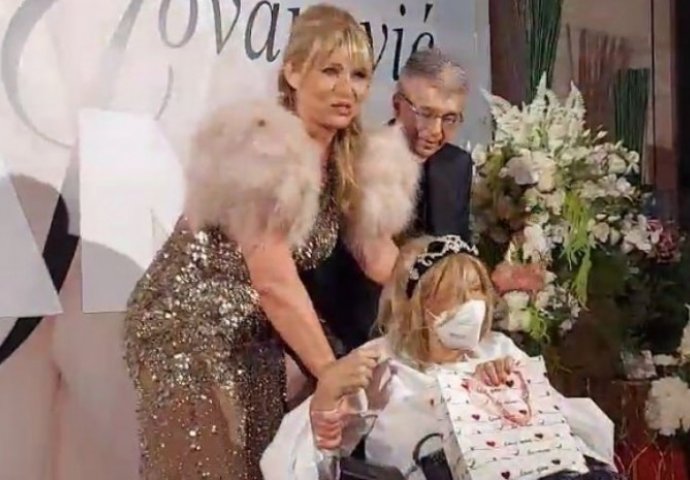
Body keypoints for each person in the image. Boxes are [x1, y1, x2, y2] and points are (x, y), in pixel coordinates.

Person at [123, 5, 421, 479]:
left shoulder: (347, 159)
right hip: (187, 327)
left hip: (254, 334)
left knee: (257, 466)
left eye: (359, 75)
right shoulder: (262, 147)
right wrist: (331, 372)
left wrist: (455, 289)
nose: (347, 89)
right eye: (331, 71)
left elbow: (379, 256)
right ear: (294, 72)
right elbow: (274, 280)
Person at [261, 235, 620, 480]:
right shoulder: (381, 363)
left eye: (476, 289)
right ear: (420, 303)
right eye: (454, 293)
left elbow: (576, 434)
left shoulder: (499, 349)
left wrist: (512, 391)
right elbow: (311, 463)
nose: (472, 304)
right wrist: (326, 399)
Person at [317, 48, 474, 352]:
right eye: (425, 114)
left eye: (449, 118)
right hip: (360, 332)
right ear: (397, 104)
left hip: (438, 332)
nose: (435, 132)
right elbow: (372, 261)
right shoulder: (360, 156)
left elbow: (458, 247)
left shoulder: (457, 165)